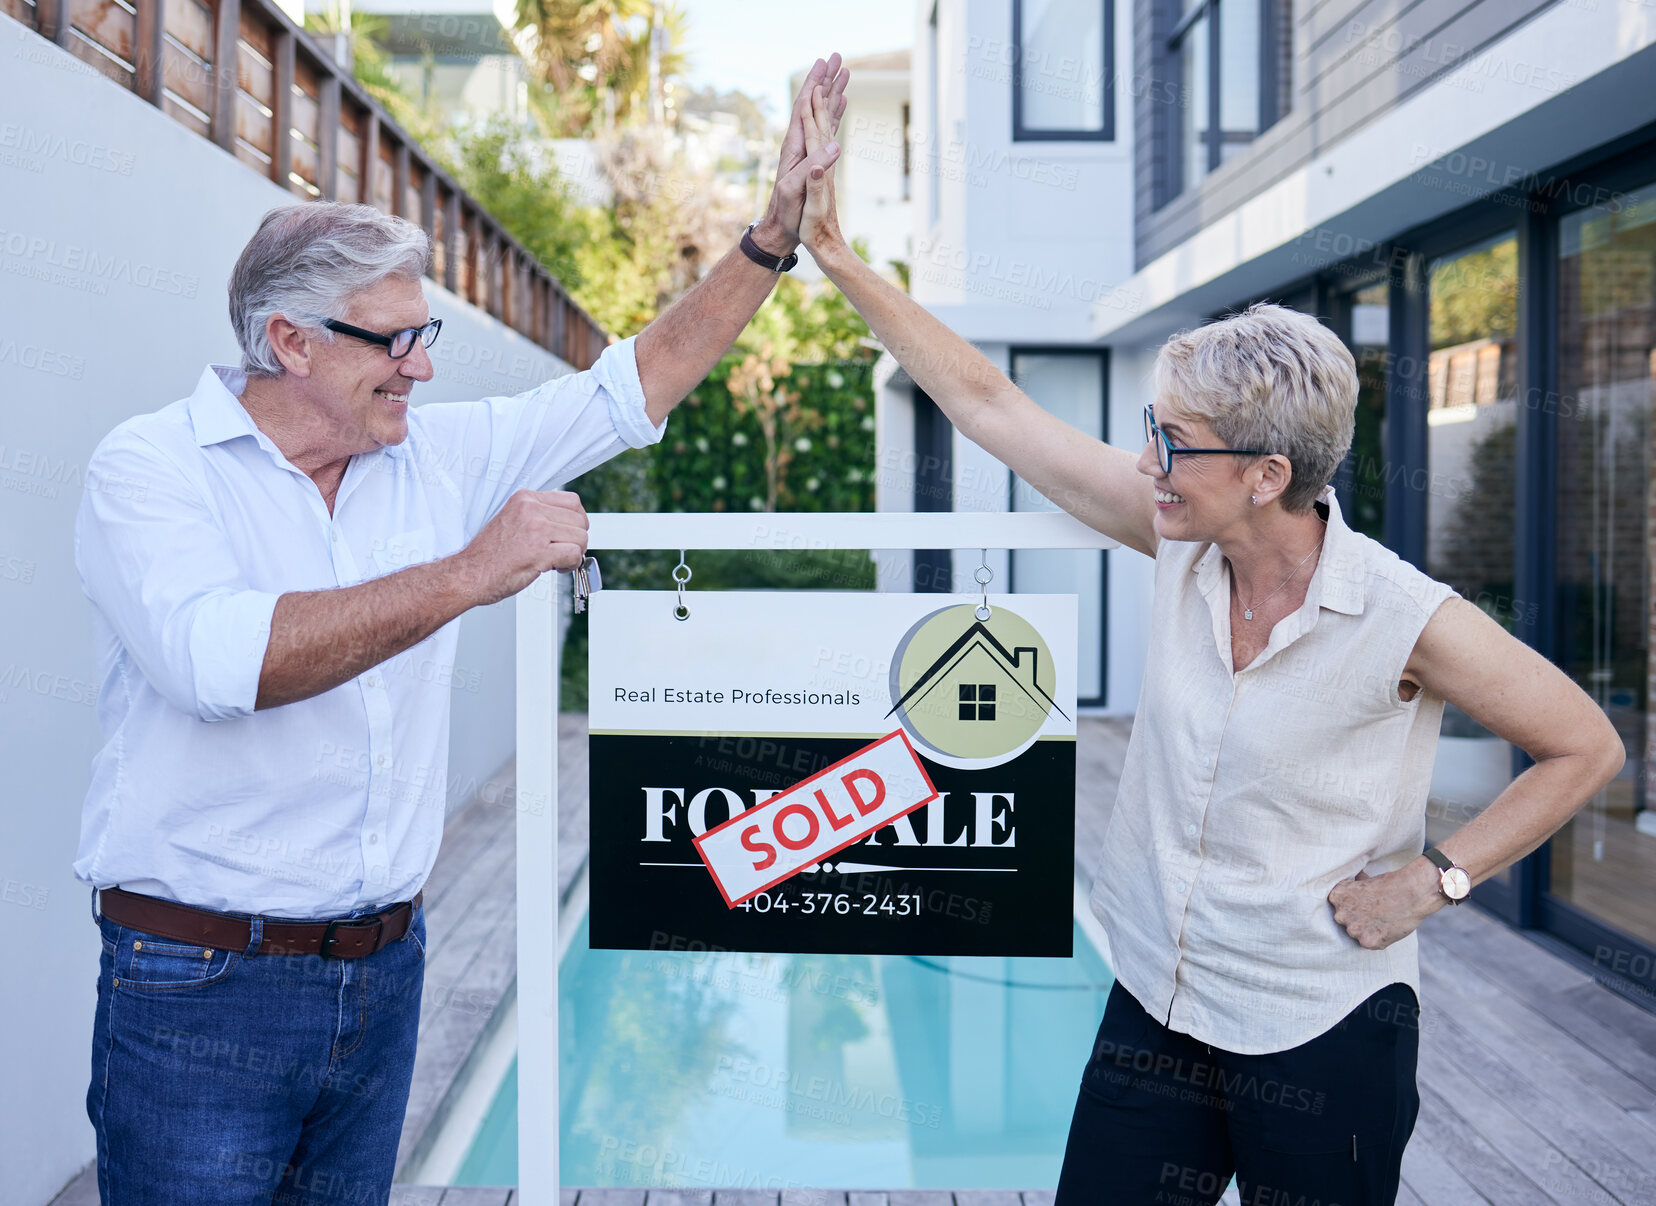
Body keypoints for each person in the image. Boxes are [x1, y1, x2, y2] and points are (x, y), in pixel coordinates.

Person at [793, 86, 1624, 1204]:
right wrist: (835, 255)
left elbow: (1585, 746)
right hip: (1158, 1004)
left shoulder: (1401, 615)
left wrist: (1437, 880)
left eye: (1173, 442)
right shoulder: (1180, 541)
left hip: (1323, 1026)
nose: (1146, 464)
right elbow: (992, 407)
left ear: (1267, 475)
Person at [72, 56, 850, 1206]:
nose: (423, 366)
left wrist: (769, 240)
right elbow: (219, 662)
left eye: (422, 331)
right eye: (394, 341)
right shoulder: (149, 469)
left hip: (382, 978)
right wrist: (472, 573)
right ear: (289, 342)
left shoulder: (428, 457)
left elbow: (627, 389)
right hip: (195, 985)